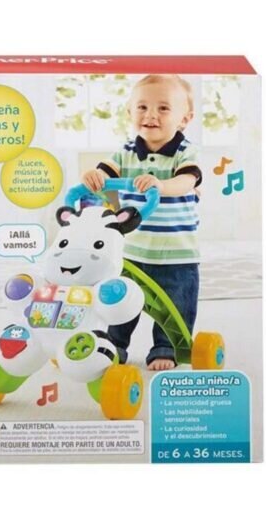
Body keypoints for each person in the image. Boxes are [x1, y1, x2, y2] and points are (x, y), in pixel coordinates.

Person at [82, 74, 202, 371]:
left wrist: (161, 185)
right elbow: (105, 173)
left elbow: (187, 181)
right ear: (129, 112)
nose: (150, 115)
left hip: (176, 253)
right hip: (132, 251)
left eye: (163, 108)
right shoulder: (125, 152)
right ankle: (114, 345)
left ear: (184, 119)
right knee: (120, 300)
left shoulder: (185, 152)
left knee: (174, 304)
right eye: (142, 107)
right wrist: (95, 177)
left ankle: (166, 347)